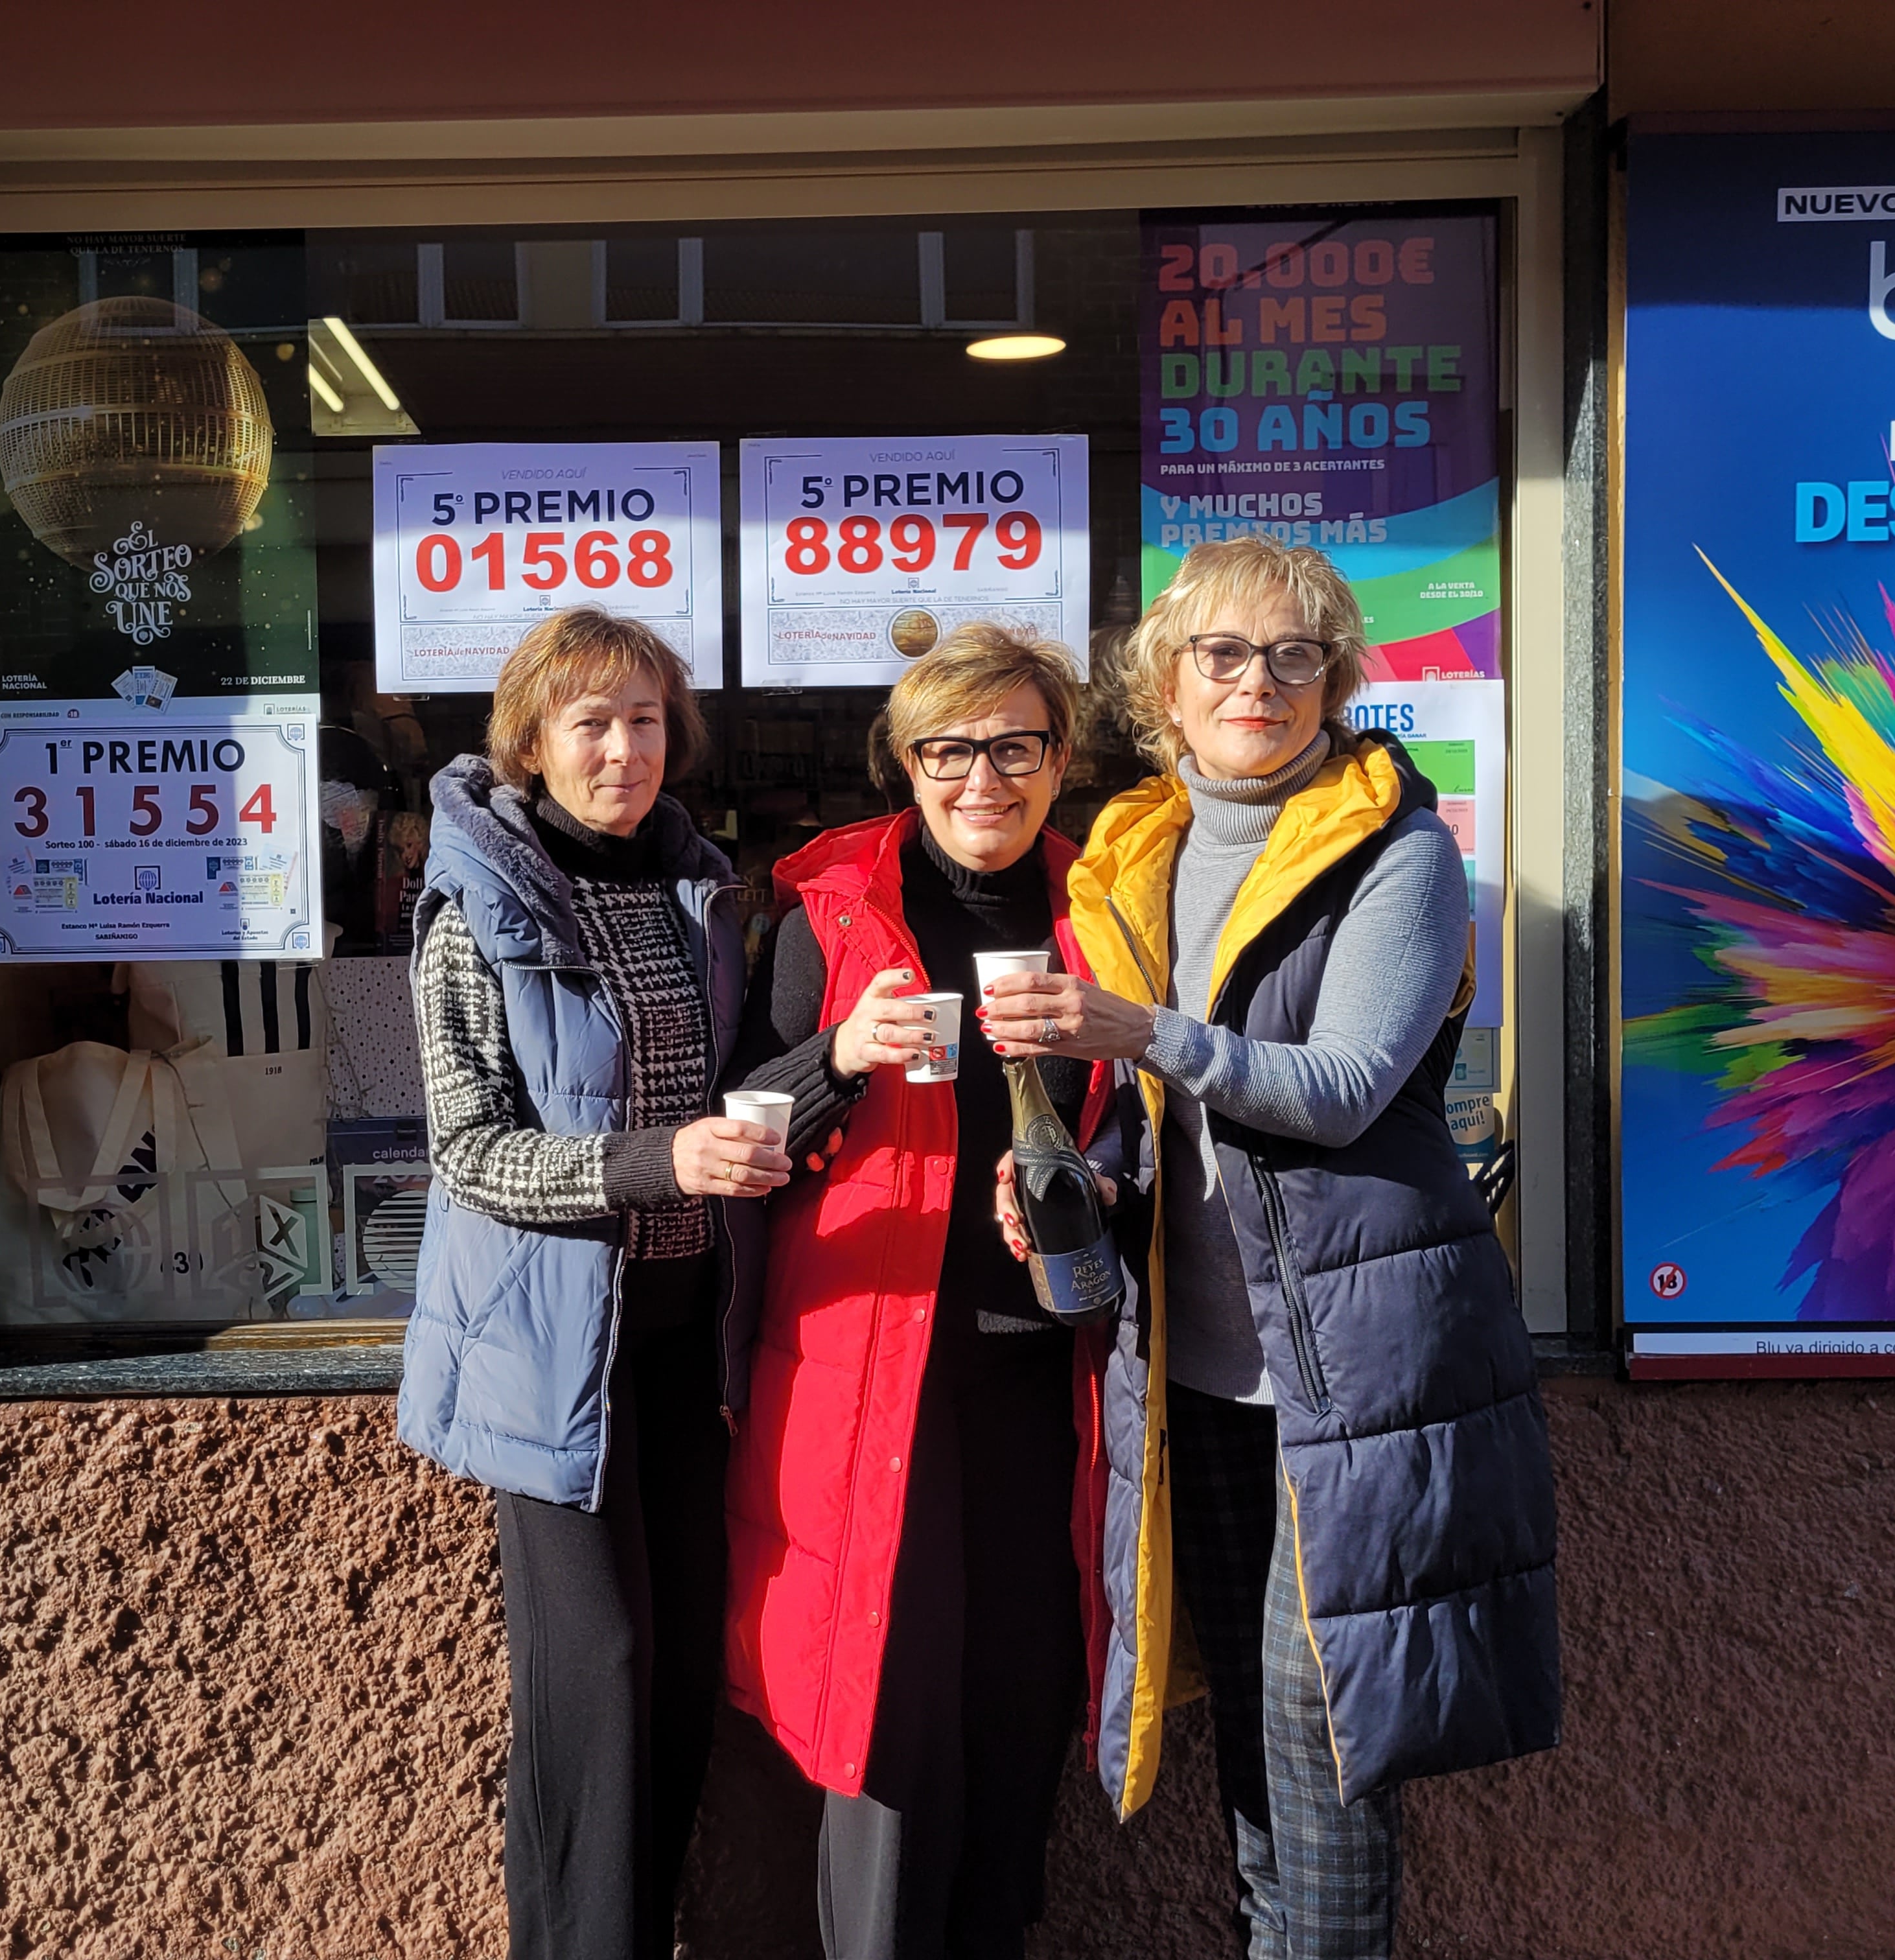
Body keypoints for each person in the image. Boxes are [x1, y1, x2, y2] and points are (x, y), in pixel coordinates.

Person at [982, 535, 1561, 1960]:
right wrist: (1068, 1175)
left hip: (1352, 1374)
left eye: (1294, 656)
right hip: (1192, 1370)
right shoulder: (1142, 845)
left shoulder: (1400, 851)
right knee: (1246, 1728)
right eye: (1224, 656)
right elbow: (1154, 1123)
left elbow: (1346, 1085)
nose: (1259, 683)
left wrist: (1145, 1032)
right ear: (1166, 686)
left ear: (1335, 683)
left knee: (1325, 1745)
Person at [721, 624, 1127, 1960]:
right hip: (870, 1379)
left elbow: (1157, 1122)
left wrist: (1099, 1177)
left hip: (1045, 1373)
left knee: (1021, 1699)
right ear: (905, 761)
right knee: (889, 1707)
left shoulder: (1111, 909)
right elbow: (734, 1139)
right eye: (949, 749)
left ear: (1061, 759)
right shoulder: (827, 913)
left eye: (1016, 746)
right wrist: (835, 1055)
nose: (983, 779)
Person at [397, 608, 787, 1960]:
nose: (622, 749)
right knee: (602, 1679)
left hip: (686, 1345)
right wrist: (654, 1163)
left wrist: (812, 1082)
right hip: (548, 1357)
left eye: (641, 721)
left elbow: (731, 1087)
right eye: (589, 724)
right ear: (531, 743)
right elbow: (471, 1150)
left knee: (680, 1678)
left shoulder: (696, 886)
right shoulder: (477, 901)